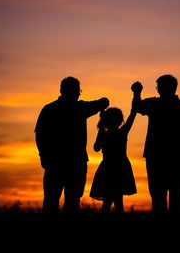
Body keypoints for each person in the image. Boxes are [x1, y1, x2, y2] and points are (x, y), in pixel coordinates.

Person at [35, 77, 109, 213]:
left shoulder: (49, 109)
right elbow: (103, 103)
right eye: (77, 90)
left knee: (52, 201)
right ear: (68, 91)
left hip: (55, 162)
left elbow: (39, 136)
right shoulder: (80, 108)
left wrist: (43, 156)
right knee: (71, 201)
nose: (78, 93)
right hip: (74, 162)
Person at [132, 75, 180, 213]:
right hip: (173, 158)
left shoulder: (156, 105)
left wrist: (137, 93)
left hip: (162, 158)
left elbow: (137, 107)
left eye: (159, 86)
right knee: (173, 198)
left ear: (162, 88)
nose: (158, 89)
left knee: (164, 198)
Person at [89, 84, 141, 213]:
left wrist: (101, 128)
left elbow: (96, 148)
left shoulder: (103, 133)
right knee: (118, 201)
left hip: (107, 167)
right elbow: (133, 114)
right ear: (120, 120)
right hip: (120, 167)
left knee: (107, 202)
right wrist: (136, 94)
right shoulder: (122, 132)